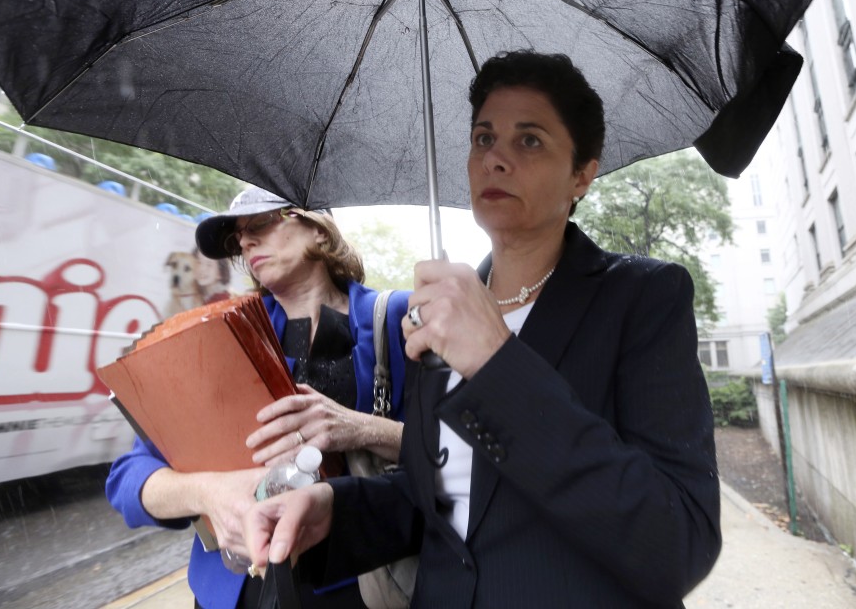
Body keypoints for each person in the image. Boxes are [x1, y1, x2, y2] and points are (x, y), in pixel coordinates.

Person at [243, 51, 722, 608]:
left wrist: (497, 363)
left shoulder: (643, 298)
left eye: (530, 140)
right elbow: (438, 498)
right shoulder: (436, 314)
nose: (495, 158)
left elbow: (678, 541)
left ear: (583, 174)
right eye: (483, 138)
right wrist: (334, 509)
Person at [106, 186, 411, 609]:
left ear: (320, 230)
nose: (246, 241)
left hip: (353, 586)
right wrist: (208, 493)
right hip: (231, 591)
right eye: (239, 237)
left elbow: (453, 456)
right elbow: (127, 478)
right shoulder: (215, 336)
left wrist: (360, 429)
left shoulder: (397, 319)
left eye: (263, 223)